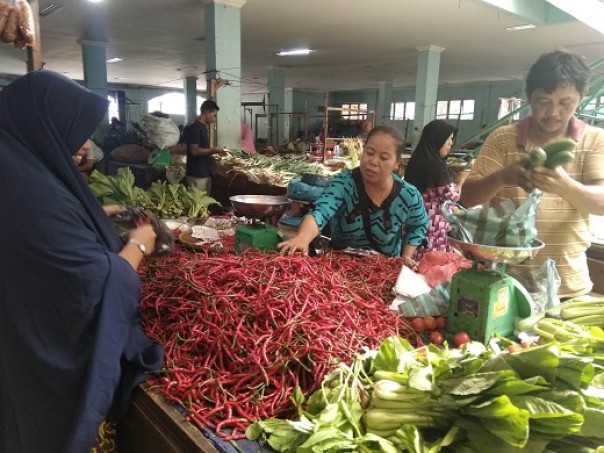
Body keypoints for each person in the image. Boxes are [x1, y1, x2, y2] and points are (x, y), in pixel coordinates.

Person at [0, 70, 163, 452]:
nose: (86, 144)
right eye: (76, 129)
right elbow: (91, 286)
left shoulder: (14, 167)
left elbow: (40, 231)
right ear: (44, 122)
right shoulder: (32, 196)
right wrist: (138, 245)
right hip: (36, 371)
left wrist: (92, 213)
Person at [460, 50, 604, 298]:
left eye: (565, 103)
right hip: (502, 283)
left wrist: (564, 185)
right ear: (529, 97)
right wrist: (502, 177)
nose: (553, 113)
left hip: (568, 286)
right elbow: (467, 198)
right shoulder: (502, 138)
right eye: (544, 101)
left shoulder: (595, 140)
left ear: (582, 97)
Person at [279, 125, 429, 267]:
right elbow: (320, 212)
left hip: (385, 271)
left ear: (397, 162)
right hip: (341, 268)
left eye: (383, 158)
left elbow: (419, 225)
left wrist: (406, 256)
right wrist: (303, 238)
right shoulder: (343, 184)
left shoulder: (408, 195)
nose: (373, 162)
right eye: (369, 153)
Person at [404, 120, 459, 260]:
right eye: (448, 139)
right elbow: (452, 197)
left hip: (416, 224)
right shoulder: (435, 165)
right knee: (430, 269)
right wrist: (462, 181)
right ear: (438, 138)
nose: (450, 144)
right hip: (433, 227)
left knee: (417, 267)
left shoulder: (418, 159)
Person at [183, 99, 225, 193]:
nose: (214, 119)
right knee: (197, 204)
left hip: (203, 173)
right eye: (214, 116)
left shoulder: (203, 128)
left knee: (204, 204)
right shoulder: (196, 128)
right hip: (196, 175)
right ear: (206, 112)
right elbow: (194, 151)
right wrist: (214, 149)